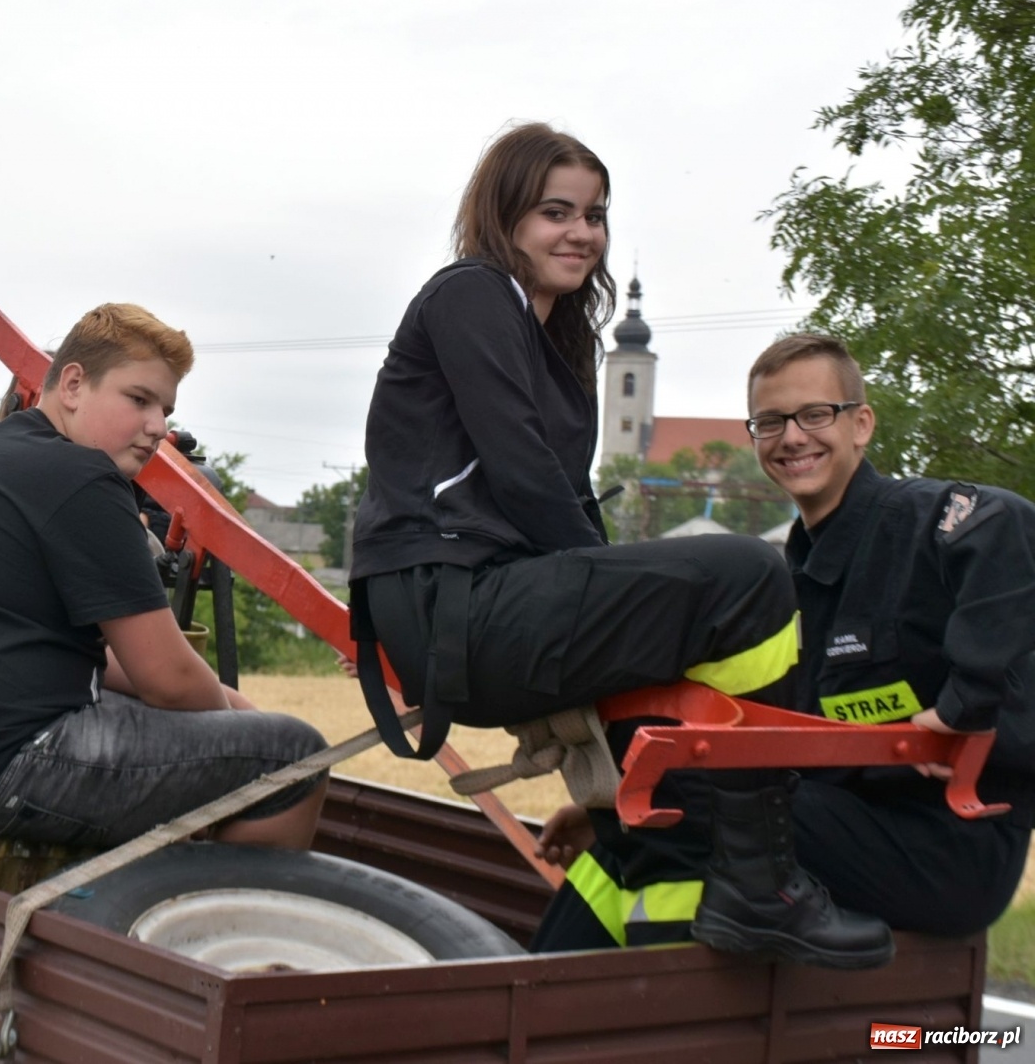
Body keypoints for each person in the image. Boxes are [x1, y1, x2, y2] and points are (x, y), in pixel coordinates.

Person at [348, 122, 892, 968]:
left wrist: (621, 591)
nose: (582, 232)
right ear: (504, 216)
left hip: (501, 598)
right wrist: (607, 577)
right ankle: (762, 885)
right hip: (450, 599)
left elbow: (569, 499)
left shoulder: (561, 342)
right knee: (749, 575)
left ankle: (666, 884)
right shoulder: (471, 292)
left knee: (700, 649)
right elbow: (527, 477)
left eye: (595, 215)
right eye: (555, 211)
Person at [533, 334, 1035, 951]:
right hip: (842, 819)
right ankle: (527, 1005)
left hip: (946, 847)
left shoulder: (914, 523)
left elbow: (1005, 524)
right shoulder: (788, 585)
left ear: (861, 424)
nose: (792, 437)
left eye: (815, 414)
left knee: (690, 797)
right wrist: (604, 812)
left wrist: (966, 706)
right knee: (632, 823)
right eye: (770, 422)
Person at [0, 304, 327, 850]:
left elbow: (103, 663)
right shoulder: (81, 475)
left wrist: (233, 713)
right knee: (296, 757)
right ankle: (191, 927)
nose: (158, 428)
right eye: (138, 399)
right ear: (73, 383)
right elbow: (165, 678)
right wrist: (244, 731)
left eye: (164, 409)